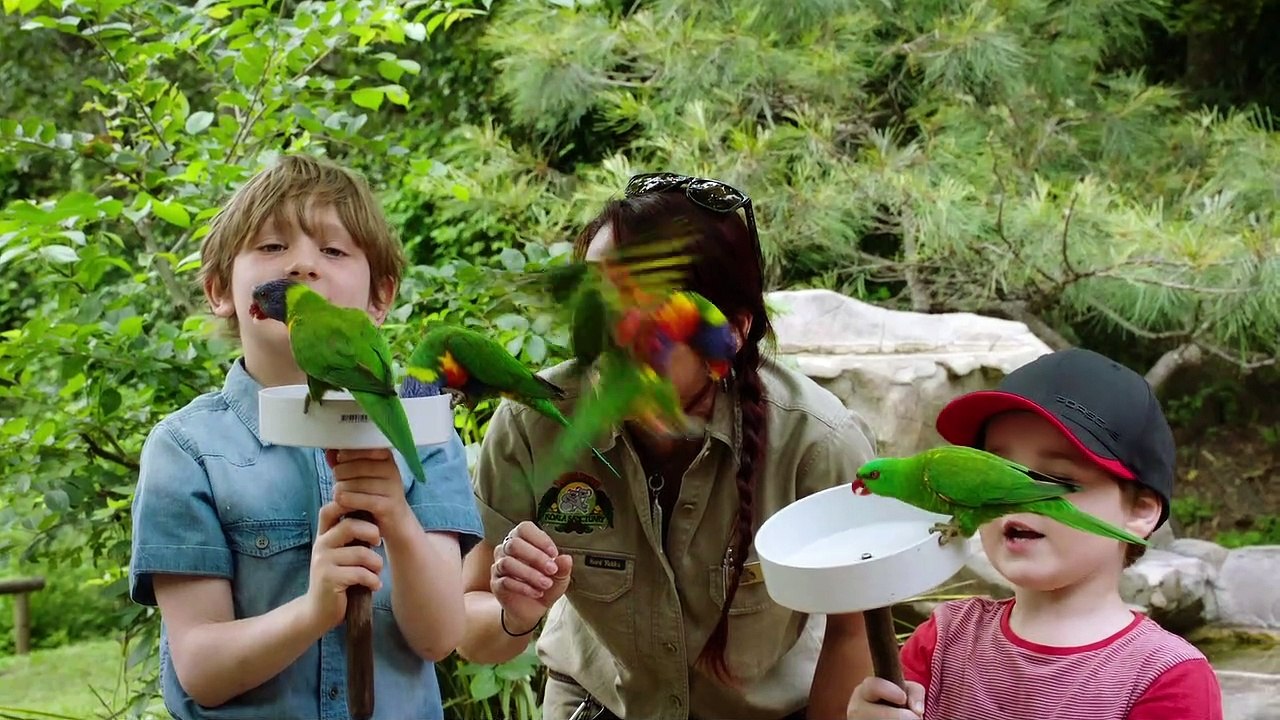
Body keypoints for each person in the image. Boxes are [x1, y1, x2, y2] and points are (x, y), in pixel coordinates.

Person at [457, 172, 878, 720]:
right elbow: (471, 623)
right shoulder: (531, 425)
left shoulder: (817, 444)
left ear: (730, 333)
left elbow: (855, 632)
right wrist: (513, 614)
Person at [128, 154, 483, 720]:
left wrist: (397, 518)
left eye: (334, 251)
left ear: (380, 298)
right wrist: (313, 611)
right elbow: (202, 671)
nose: (301, 265)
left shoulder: (423, 436)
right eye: (272, 246)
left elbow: (440, 637)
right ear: (221, 291)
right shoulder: (187, 450)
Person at [846, 347, 1224, 720]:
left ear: (1139, 511)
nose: (1015, 496)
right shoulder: (941, 640)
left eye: (1056, 476)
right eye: (989, 470)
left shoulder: (1169, 679)